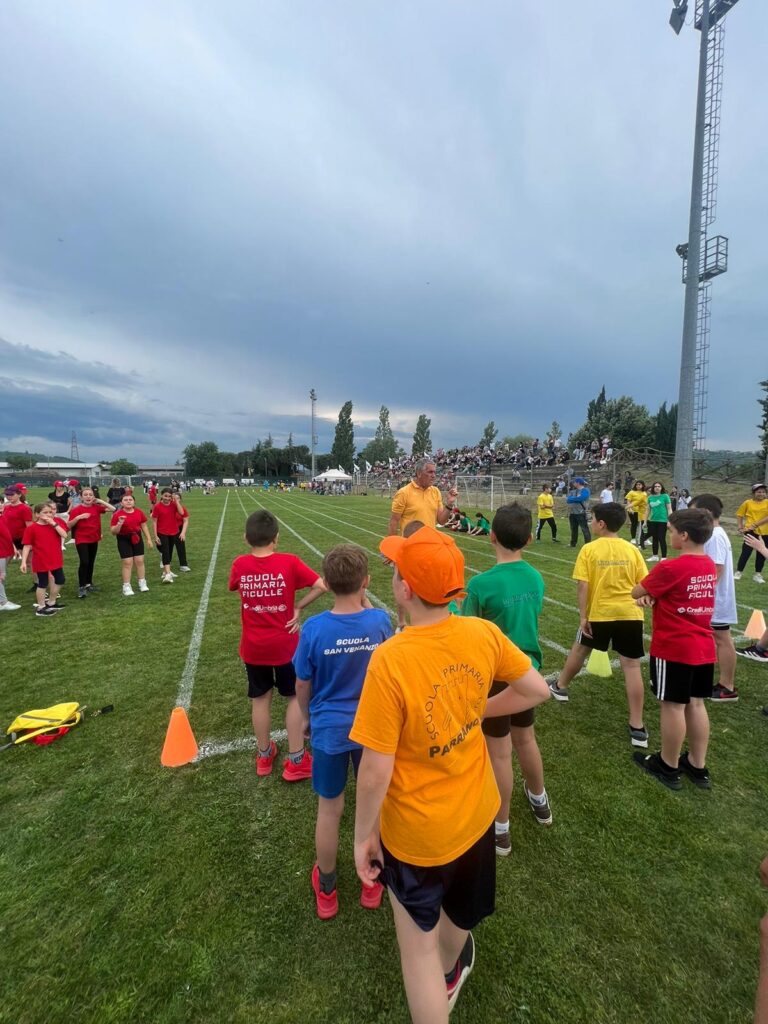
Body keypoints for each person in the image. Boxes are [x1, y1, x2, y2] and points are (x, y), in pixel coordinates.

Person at [351, 527, 550, 1022]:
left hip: (416, 834)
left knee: (417, 952)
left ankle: (440, 972)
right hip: (477, 816)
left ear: (404, 589)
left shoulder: (390, 659)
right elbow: (536, 689)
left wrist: (362, 836)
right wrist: (480, 710)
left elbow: (375, 770)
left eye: (397, 569)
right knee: (461, 911)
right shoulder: (481, 633)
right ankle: (450, 967)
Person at [293, 544, 393, 919]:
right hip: (372, 729)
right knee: (373, 805)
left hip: (329, 729)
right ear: (366, 581)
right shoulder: (379, 621)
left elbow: (303, 683)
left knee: (330, 809)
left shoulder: (314, 629)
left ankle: (328, 888)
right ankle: (373, 882)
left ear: (327, 583)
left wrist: (306, 717)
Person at [461, 503, 552, 853]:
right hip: (527, 672)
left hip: (497, 675)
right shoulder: (535, 577)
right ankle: (539, 799)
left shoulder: (481, 584)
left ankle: (501, 826)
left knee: (499, 753)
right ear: (529, 539)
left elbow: (469, 631)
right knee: (526, 740)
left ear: (491, 536)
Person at [228, 509, 325, 781]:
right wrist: (298, 607)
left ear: (246, 538)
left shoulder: (240, 564)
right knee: (294, 697)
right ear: (276, 538)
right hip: (285, 645)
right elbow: (321, 585)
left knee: (260, 698)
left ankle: (263, 754)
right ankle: (297, 759)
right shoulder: (289, 562)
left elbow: (234, 585)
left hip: (253, 646)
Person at [548, 502, 649, 747]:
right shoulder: (632, 549)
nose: (591, 522)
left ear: (601, 524)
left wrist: (583, 617)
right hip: (630, 614)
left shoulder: (589, 549)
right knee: (632, 667)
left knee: (579, 650)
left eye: (592, 519)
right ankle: (637, 726)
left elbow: (582, 585)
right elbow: (644, 582)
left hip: (600, 614)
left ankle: (560, 687)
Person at [631, 508, 717, 790]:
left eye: (671, 531)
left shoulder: (670, 567)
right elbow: (680, 594)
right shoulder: (708, 564)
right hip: (703, 646)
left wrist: (649, 595)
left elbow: (636, 591)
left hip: (675, 647)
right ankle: (697, 764)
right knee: (696, 704)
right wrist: (656, 598)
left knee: (672, 706)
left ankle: (667, 765)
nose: (669, 535)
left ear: (684, 535)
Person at [688, 494, 738, 701]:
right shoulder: (714, 533)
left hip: (715, 600)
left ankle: (727, 686)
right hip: (712, 599)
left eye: (694, 511)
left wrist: (700, 595)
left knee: (722, 639)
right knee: (716, 638)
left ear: (707, 512)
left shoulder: (715, 535)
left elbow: (716, 569)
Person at [20, 502, 69, 616]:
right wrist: (23, 562)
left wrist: (54, 524)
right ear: (37, 514)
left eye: (50, 512)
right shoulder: (32, 528)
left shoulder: (55, 524)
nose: (48, 515)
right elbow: (27, 546)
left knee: (60, 579)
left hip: (55, 558)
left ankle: (51, 602)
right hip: (41, 560)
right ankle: (41, 607)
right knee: (43, 583)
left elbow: (65, 535)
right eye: (45, 512)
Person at [67, 486, 116, 598]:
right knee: (84, 561)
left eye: (90, 495)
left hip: (94, 538)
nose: (88, 497)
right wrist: (78, 518)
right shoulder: (76, 510)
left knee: (91, 562)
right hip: (82, 539)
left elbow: (113, 509)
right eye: (85, 495)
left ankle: (88, 583)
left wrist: (100, 501)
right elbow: (68, 525)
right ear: (81, 497)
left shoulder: (96, 507)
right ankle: (81, 586)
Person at [388, 459, 459, 535]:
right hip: (411, 541)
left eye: (434, 472)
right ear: (419, 473)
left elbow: (442, 521)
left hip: (430, 541)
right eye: (430, 472)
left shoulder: (435, 491)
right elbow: (394, 521)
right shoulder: (403, 493)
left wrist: (449, 504)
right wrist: (393, 542)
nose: (433, 476)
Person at [109, 493, 154, 596]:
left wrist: (149, 539)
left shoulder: (139, 512)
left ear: (134, 502)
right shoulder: (117, 515)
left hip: (136, 537)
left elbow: (144, 525)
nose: (128, 501)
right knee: (127, 562)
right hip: (123, 539)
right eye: (125, 500)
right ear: (121, 503)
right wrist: (119, 523)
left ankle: (142, 582)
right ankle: (126, 586)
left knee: (140, 561)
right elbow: (113, 532)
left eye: (130, 500)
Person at [152, 489, 190, 583]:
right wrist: (155, 536)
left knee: (169, 552)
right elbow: (154, 522)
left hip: (174, 532)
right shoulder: (157, 506)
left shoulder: (174, 504)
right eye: (165, 496)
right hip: (162, 532)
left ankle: (165, 572)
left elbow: (182, 513)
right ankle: (168, 574)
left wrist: (176, 500)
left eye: (169, 496)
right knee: (165, 552)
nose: (167, 498)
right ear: (161, 495)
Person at [734, 483, 768, 584]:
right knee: (746, 552)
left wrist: (756, 524)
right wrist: (740, 527)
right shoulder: (747, 503)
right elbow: (739, 514)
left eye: (763, 492)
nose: (761, 494)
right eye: (758, 492)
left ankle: (757, 575)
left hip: (765, 532)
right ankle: (738, 572)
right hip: (750, 531)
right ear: (754, 493)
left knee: (761, 554)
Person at [644, 482, 672, 561]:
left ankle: (663, 557)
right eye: (655, 486)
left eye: (659, 486)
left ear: (661, 488)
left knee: (661, 538)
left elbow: (669, 509)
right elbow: (647, 510)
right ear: (653, 488)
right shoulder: (650, 497)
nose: (657, 488)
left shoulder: (665, 496)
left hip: (663, 521)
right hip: (653, 520)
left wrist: (669, 520)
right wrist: (645, 521)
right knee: (654, 538)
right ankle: (655, 556)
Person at [2, 485, 33, 556]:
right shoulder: (6, 507)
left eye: (12, 494)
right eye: (7, 494)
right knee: (3, 560)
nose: (9, 497)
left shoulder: (25, 508)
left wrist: (30, 542)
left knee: (29, 561)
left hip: (21, 539)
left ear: (19, 495)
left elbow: (30, 527)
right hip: (9, 539)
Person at [0, 507, 20, 611]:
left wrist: (13, 547)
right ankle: (3, 602)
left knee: (2, 575)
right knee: (1, 576)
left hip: (5, 550)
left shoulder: (2, 517)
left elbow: (7, 534)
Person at [566, 477, 592, 547]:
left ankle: (588, 545)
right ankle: (573, 543)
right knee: (573, 529)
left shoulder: (585, 490)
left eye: (574, 482)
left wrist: (573, 498)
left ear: (578, 483)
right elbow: (568, 500)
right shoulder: (573, 491)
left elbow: (582, 498)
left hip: (581, 513)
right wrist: (576, 498)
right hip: (572, 513)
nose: (573, 483)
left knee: (584, 529)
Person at [624, 481, 647, 545]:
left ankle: (644, 538)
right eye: (637, 485)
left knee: (643, 525)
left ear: (643, 485)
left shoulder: (644, 493)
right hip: (633, 511)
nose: (638, 486)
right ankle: (633, 538)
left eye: (639, 484)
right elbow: (628, 501)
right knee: (634, 524)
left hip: (642, 512)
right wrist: (630, 509)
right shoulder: (632, 492)